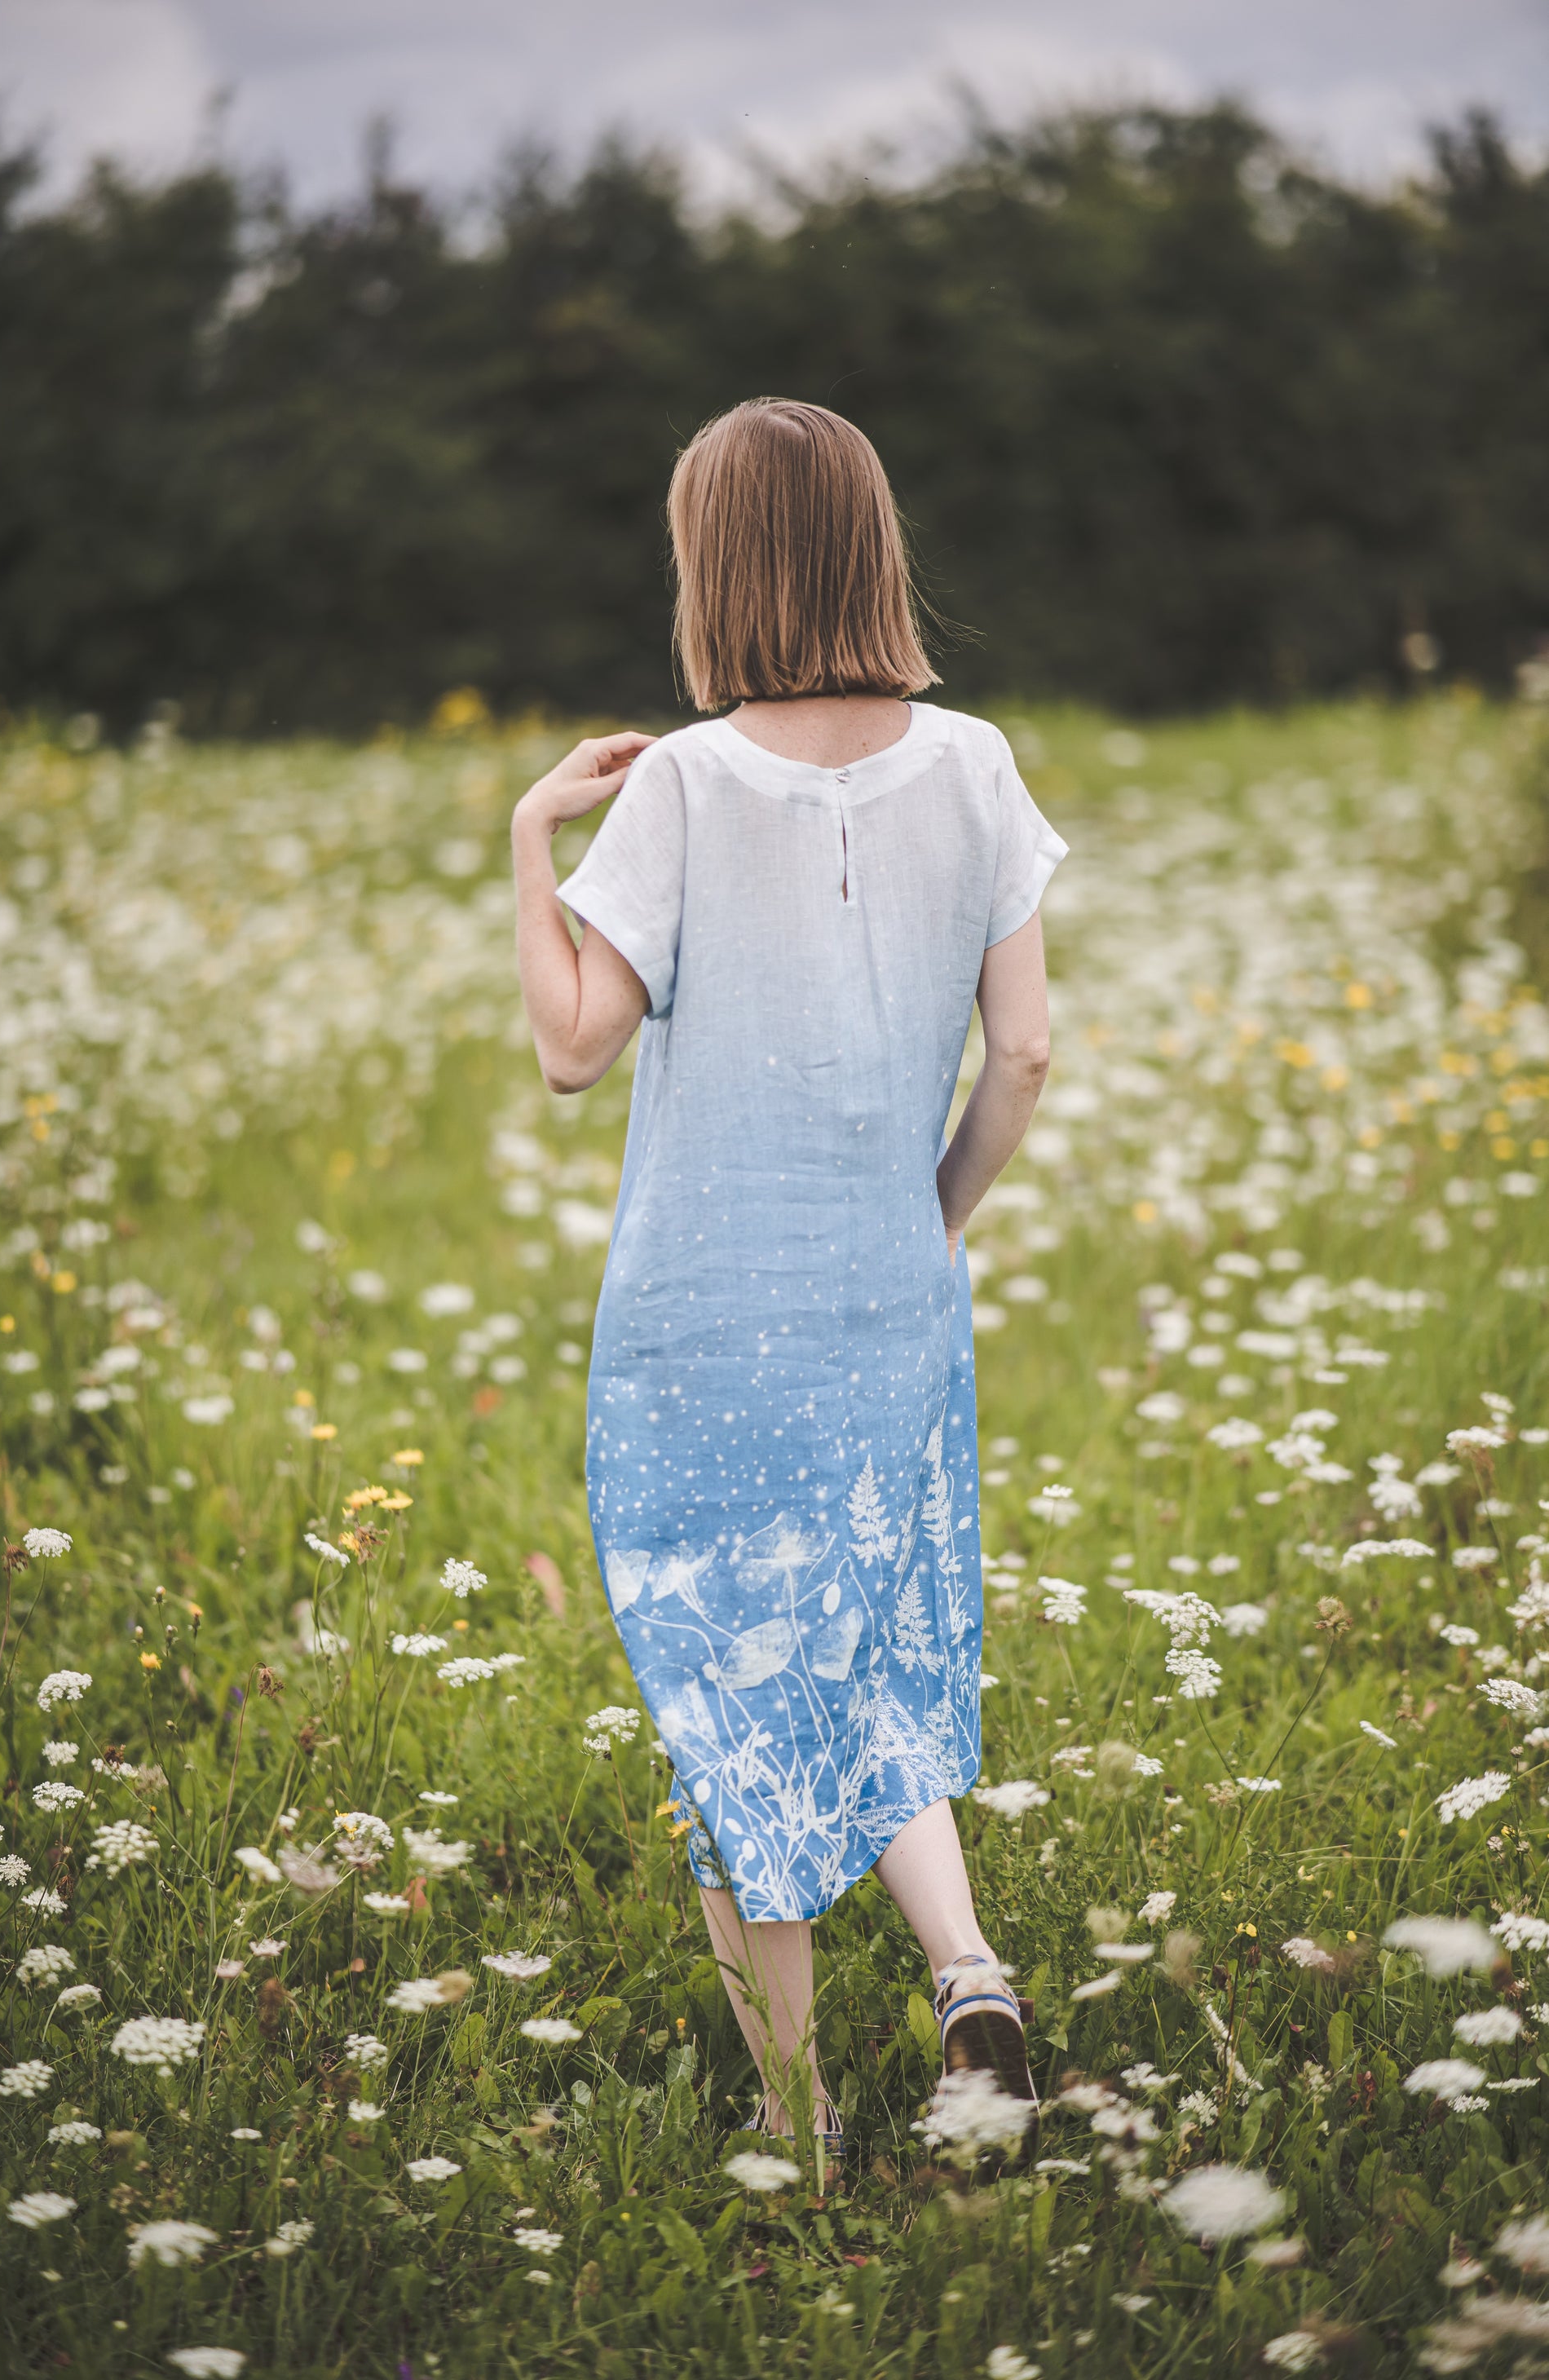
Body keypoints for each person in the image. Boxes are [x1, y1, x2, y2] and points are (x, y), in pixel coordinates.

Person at [512, 397, 1065, 2155]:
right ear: (870, 546)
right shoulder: (975, 762)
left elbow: (572, 1048)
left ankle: (802, 2139)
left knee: (733, 1698)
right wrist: (933, 1225)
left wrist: (529, 837)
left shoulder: (677, 782)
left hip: (695, 1323)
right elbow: (1028, 1054)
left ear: (714, 568)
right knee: (873, 1649)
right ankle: (967, 1966)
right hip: (887, 1299)